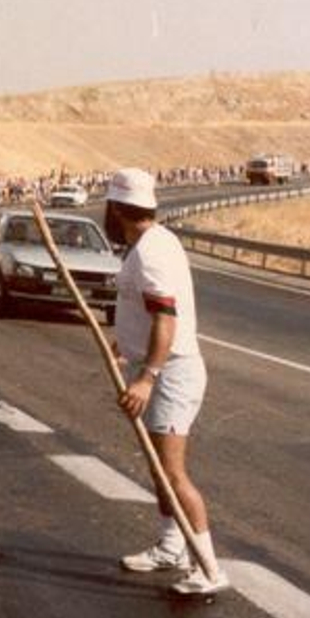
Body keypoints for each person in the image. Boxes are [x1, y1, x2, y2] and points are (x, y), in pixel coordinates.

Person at [105, 168, 228, 596]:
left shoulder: (150, 252)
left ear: (117, 209)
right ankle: (173, 547)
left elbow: (166, 318)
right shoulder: (154, 241)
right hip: (158, 366)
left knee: (173, 474)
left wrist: (147, 377)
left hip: (171, 373)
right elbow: (147, 311)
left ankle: (209, 568)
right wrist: (127, 343)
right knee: (160, 473)